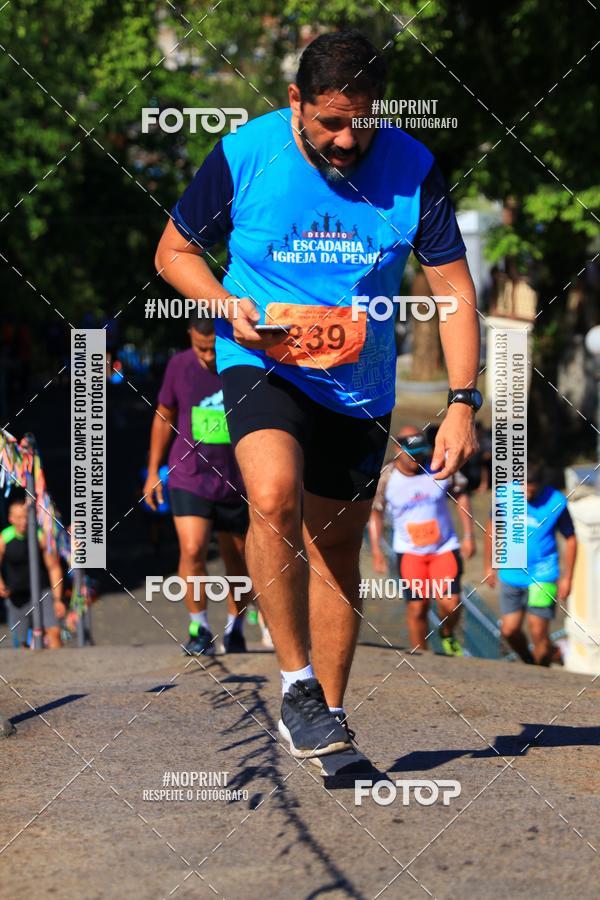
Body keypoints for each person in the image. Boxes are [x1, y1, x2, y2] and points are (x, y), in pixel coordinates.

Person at [155, 30, 480, 758]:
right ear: (296, 100)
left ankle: (328, 720)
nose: (346, 140)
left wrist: (463, 401)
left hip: (358, 384)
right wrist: (223, 304)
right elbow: (173, 251)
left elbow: (453, 292)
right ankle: (296, 683)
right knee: (273, 496)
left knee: (335, 547)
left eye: (362, 123)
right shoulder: (246, 154)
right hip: (261, 357)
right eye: (330, 122)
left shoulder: (414, 169)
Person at [144, 317, 252, 656]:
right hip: (189, 475)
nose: (207, 356)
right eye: (200, 348)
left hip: (237, 480)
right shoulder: (179, 365)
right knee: (192, 550)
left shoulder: (241, 361)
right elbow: (164, 414)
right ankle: (199, 627)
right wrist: (152, 471)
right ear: (190, 335)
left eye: (212, 349)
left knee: (239, 558)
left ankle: (235, 627)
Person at [369, 426, 475, 655]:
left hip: (443, 548)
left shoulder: (439, 465)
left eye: (420, 453)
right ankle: (422, 657)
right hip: (410, 552)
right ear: (397, 449)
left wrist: (469, 535)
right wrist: (376, 551)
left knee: (450, 603)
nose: (416, 458)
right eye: (411, 454)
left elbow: (462, 495)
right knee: (418, 607)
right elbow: (376, 513)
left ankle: (447, 633)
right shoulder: (386, 477)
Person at [484, 462, 577, 666]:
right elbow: (492, 527)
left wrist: (567, 578)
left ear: (541, 484)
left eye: (531, 488)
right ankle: (534, 661)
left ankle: (542, 670)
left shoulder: (556, 501)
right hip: (511, 573)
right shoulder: (503, 496)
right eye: (522, 486)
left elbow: (570, 538)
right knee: (509, 630)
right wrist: (489, 565)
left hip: (543, 574)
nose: (526, 492)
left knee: (538, 632)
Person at [0, 496, 66, 648]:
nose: (23, 521)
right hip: (17, 596)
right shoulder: (4, 538)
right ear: (11, 519)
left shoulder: (40, 535)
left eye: (26, 517)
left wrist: (57, 599)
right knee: (21, 642)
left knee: (54, 632)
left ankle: (59, 661)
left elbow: (54, 567)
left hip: (42, 592)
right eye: (18, 518)